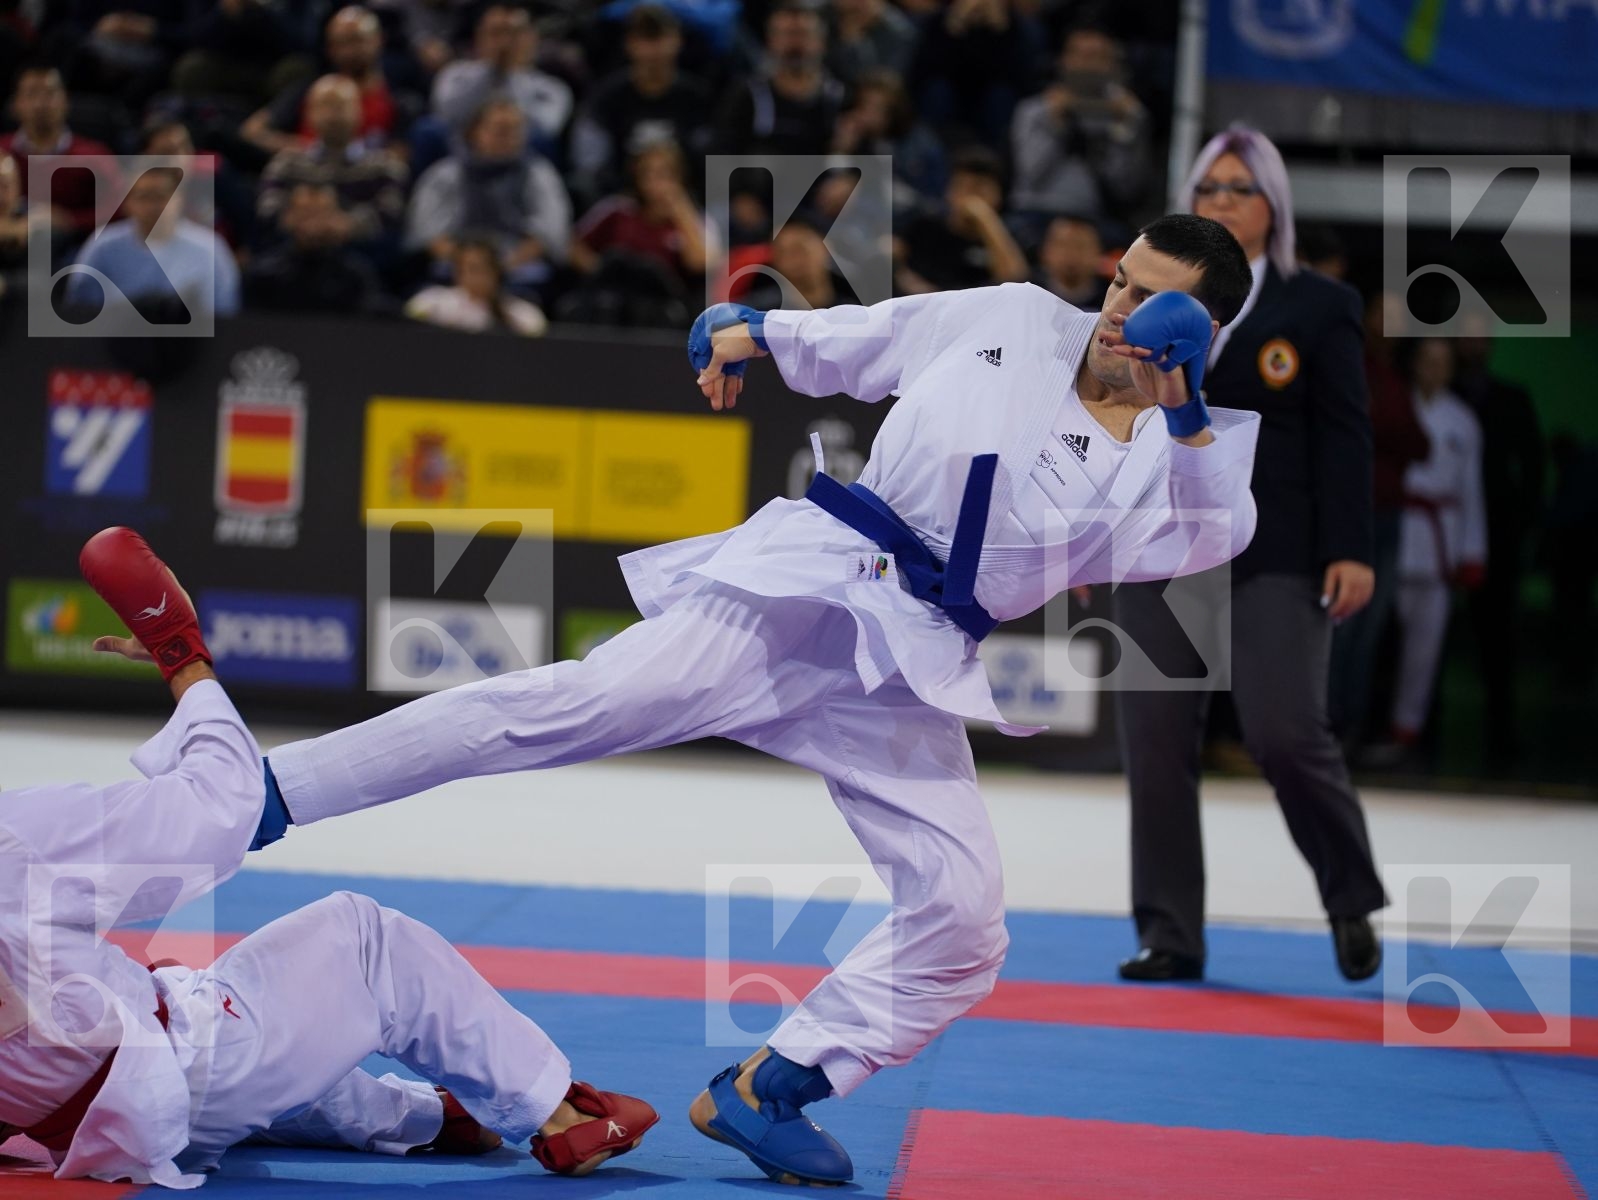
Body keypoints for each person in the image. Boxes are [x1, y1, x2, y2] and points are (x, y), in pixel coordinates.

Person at [248, 213, 1260, 1187]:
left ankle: (771, 1087)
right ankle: (271, 791)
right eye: (1120, 279)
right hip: (812, 584)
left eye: (1150, 300)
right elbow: (871, 339)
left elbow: (1214, 535)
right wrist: (755, 331)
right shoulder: (1016, 318)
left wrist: (1180, 409)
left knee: (964, 915)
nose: (1117, 307)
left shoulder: (1184, 456)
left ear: (1204, 332)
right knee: (568, 705)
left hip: (908, 665)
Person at [0, 527, 657, 1188]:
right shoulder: (14, 838)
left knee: (232, 1013)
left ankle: (432, 1119)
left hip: (67, 1123)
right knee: (363, 944)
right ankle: (563, 1112)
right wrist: (181, 653)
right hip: (161, 1081)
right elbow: (220, 811)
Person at [1111, 126, 1387, 986]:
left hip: (1280, 548)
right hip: (1162, 542)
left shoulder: (1319, 306)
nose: (1221, 201)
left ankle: (1347, 894)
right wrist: (1089, 539)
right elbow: (1111, 422)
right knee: (1154, 741)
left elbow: (1346, 433)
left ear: (1275, 205)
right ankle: (1170, 933)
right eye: (1208, 187)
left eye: (1239, 187)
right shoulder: (1144, 302)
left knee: (1284, 731)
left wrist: (1351, 546)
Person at [1328, 292, 1430, 748]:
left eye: (1398, 316)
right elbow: (1358, 430)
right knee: (1340, 627)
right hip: (1350, 515)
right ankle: (1326, 725)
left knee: (1369, 631)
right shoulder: (1350, 365)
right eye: (1382, 312)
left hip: (1388, 518)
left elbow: (1419, 444)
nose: (1390, 322)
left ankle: (1350, 726)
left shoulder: (1396, 378)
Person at [1376, 338, 1486, 758]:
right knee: (1378, 641)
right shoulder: (1397, 406)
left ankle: (1408, 729)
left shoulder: (1463, 420)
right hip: (1395, 531)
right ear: (1416, 365)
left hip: (1441, 540)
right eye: (1428, 361)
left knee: (1425, 646)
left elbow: (1472, 491)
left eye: (1443, 362)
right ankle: (1366, 723)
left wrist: (1473, 553)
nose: (1434, 369)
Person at [1454, 316, 1544, 769]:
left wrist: (1522, 523)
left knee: (1498, 638)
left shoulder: (1511, 398)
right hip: (1440, 531)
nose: (1474, 344)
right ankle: (1412, 730)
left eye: (1481, 336)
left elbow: (1533, 467)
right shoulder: (1439, 390)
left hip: (1498, 532)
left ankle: (1501, 733)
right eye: (1466, 336)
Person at [405, 95, 570, 298]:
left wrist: (500, 269)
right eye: (500, 129)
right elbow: (429, 234)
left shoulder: (539, 174)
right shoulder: (445, 174)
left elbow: (548, 233)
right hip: (456, 269)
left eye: (515, 130)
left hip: (516, 269)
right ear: (475, 132)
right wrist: (471, 268)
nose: (508, 136)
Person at [568, 4, 712, 208]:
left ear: (677, 40)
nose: (654, 49)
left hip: (685, 202)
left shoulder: (695, 96)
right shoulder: (606, 97)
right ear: (630, 44)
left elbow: (708, 156)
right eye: (645, 39)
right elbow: (590, 163)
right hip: (621, 203)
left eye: (660, 38)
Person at [257, 74, 410, 266]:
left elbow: (391, 212)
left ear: (359, 111)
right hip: (295, 258)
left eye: (341, 106)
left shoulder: (386, 167)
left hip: (363, 258)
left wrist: (346, 225)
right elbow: (268, 208)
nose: (333, 114)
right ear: (309, 113)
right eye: (324, 106)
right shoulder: (286, 164)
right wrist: (302, 224)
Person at [242, 7, 423, 161]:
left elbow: (399, 156)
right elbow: (253, 130)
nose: (350, 51)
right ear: (330, 49)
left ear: (379, 40)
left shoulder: (399, 101)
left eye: (357, 40)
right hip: (304, 185)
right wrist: (311, 151)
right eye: (341, 43)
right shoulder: (310, 90)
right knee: (213, 157)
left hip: (364, 188)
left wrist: (348, 160)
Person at [64, 165, 241, 323]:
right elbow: (81, 309)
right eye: (144, 197)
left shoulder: (210, 248)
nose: (153, 206)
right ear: (128, 202)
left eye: (161, 197)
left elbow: (225, 313)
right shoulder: (102, 246)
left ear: (180, 199)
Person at [1009, 25, 1150, 221]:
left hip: (1092, 220)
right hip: (1035, 213)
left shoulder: (1127, 113)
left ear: (1113, 64)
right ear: (1064, 60)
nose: (1087, 64)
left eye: (1097, 56)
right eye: (1080, 55)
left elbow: (1127, 187)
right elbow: (1031, 175)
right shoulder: (1032, 110)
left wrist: (1125, 131)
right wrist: (1055, 123)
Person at [0, 65, 119, 240]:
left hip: (74, 249)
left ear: (65, 101)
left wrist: (69, 221)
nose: (41, 103)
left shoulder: (95, 156)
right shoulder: (3, 152)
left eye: (50, 94)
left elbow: (118, 210)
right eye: (32, 94)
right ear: (16, 103)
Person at [431, 5, 572, 149]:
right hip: (460, 155)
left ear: (532, 38)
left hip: (523, 160)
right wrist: (490, 70)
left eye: (514, 34)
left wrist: (512, 74)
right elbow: (448, 115)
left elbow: (545, 129)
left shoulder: (552, 88)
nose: (504, 43)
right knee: (431, 130)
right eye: (496, 33)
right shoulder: (455, 73)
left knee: (539, 140)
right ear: (479, 37)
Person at [894, 146, 1029, 294]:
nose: (967, 196)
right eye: (961, 186)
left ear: (999, 195)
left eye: (978, 188)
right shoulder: (925, 226)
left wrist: (985, 219)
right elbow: (893, 258)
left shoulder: (1009, 238)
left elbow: (1016, 282)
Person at [244, 182, 389, 314]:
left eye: (322, 214)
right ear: (288, 218)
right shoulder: (264, 276)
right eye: (305, 214)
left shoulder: (357, 277)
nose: (314, 224)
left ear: (338, 219)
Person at [405, 235, 547, 334]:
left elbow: (536, 330)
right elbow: (409, 323)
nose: (475, 276)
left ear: (497, 271)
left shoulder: (519, 312)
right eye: (468, 269)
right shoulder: (433, 302)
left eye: (481, 268)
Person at [1032, 214, 1107, 308]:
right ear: (1044, 251)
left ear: (1098, 253)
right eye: (1063, 245)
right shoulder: (1027, 295)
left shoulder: (1112, 300)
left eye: (1081, 246)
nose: (1072, 254)